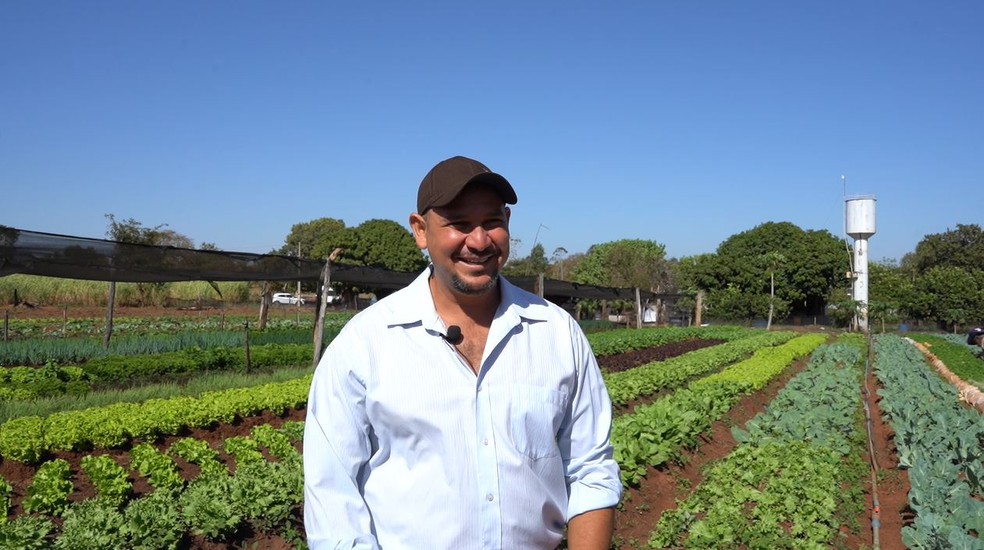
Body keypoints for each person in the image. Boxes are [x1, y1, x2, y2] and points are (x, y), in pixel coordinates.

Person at [303, 156, 622, 549]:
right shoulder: (365, 343)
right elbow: (332, 495)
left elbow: (590, 470)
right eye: (457, 223)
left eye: (492, 222)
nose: (479, 241)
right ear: (420, 231)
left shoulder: (557, 334)